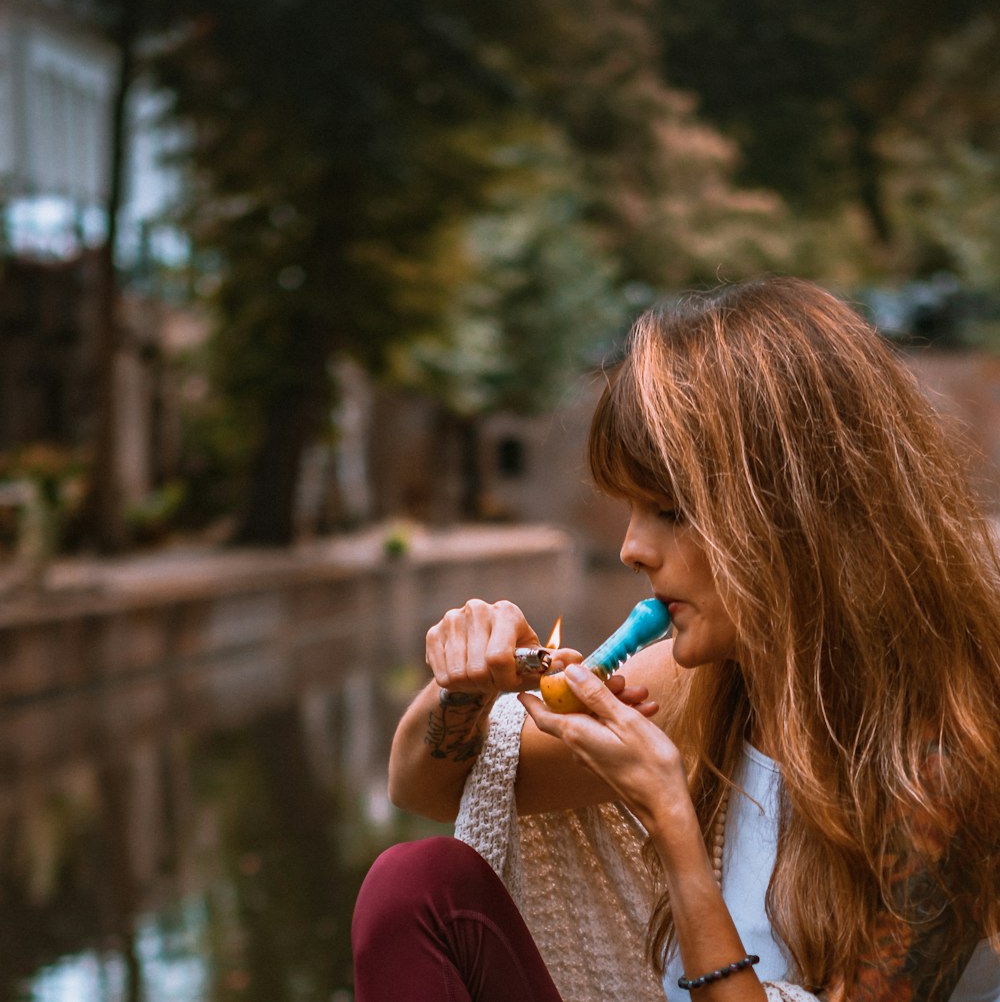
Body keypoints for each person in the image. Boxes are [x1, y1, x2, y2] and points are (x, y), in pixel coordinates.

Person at [352, 277, 1000, 1002]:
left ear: (793, 512)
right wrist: (464, 692)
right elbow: (425, 785)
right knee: (416, 887)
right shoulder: (711, 685)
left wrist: (672, 824)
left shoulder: (948, 768)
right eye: (631, 509)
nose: (631, 548)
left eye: (669, 509)